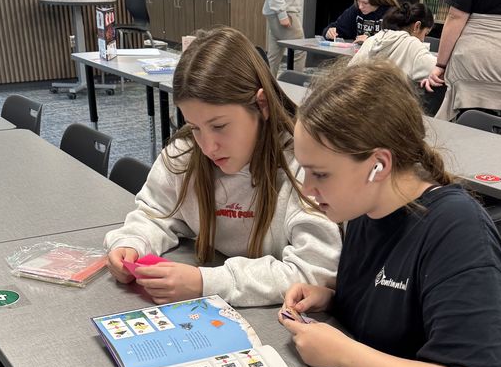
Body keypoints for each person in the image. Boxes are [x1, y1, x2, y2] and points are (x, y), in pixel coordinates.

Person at [279, 58, 501, 367]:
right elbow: (399, 310)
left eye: (320, 174)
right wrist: (333, 296)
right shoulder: (365, 208)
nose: (308, 190)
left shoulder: (458, 232)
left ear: (378, 165)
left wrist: (344, 354)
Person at [103, 27, 341, 307]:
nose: (208, 146)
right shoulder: (185, 156)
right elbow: (153, 213)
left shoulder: (304, 166)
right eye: (194, 128)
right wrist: (131, 243)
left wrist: (207, 283)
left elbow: (314, 272)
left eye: (219, 126)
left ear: (261, 104)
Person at [350, 2, 436, 81]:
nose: (423, 40)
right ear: (417, 26)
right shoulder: (413, 45)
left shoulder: (372, 39)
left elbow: (350, 71)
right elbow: (437, 71)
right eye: (425, 33)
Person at [322, 0, 398, 42]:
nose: (360, 6)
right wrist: (329, 32)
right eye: (358, 0)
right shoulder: (355, 9)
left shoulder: (393, 13)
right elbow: (337, 27)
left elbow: (397, 42)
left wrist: (370, 41)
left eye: (365, 3)